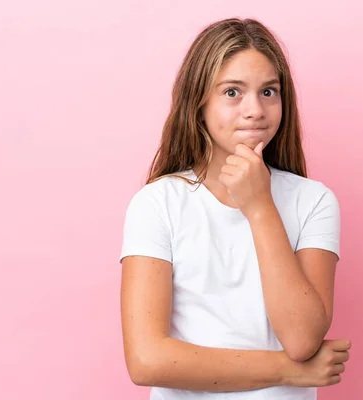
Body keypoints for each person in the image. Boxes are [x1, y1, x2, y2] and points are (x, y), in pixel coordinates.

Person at [119, 17, 351, 400]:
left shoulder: (314, 201)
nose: (255, 110)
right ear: (199, 103)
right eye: (232, 92)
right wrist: (288, 372)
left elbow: (302, 339)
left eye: (269, 92)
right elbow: (147, 360)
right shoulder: (158, 203)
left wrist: (260, 206)